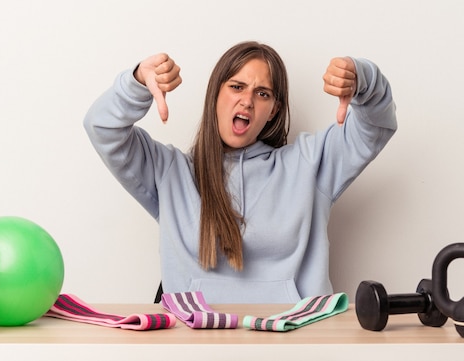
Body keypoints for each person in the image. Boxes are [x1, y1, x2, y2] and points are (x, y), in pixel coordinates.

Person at [84, 41, 397, 304]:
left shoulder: (309, 164)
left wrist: (362, 79)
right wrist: (137, 83)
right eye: (236, 86)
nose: (247, 100)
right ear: (216, 94)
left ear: (274, 109)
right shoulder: (170, 172)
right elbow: (102, 128)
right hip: (196, 343)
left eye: (263, 93)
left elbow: (376, 125)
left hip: (294, 342)